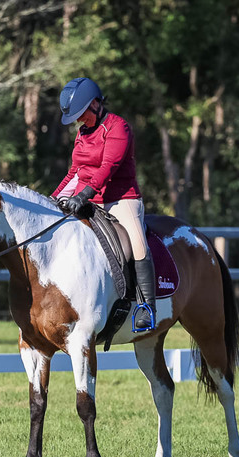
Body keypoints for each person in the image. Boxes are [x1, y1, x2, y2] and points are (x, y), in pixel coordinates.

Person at [52, 77, 156, 331]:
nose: (78, 120)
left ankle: (146, 307)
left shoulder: (118, 127)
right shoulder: (82, 133)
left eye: (81, 113)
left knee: (136, 243)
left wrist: (83, 195)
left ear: (96, 104)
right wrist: (53, 200)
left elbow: (108, 168)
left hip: (120, 199)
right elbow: (75, 171)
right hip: (86, 198)